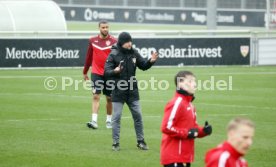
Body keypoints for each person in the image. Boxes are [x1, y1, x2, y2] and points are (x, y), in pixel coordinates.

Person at [104, 32, 158, 151]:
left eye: (130, 41)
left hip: (133, 91)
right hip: (118, 91)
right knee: (116, 117)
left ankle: (141, 141)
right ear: (122, 43)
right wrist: (115, 71)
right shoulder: (113, 54)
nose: (130, 44)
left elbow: (143, 65)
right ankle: (115, 143)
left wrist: (151, 61)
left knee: (138, 115)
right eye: (127, 42)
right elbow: (106, 72)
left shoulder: (134, 53)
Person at [160, 70, 212, 167]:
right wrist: (187, 133)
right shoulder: (177, 102)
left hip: (185, 157)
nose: (194, 84)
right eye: (190, 81)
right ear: (180, 84)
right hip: (174, 158)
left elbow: (193, 128)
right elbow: (166, 127)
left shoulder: (190, 105)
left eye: (194, 81)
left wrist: (203, 131)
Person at [83, 20, 117, 129]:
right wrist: (85, 71)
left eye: (107, 27)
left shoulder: (114, 41)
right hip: (96, 72)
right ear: (99, 28)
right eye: (103, 27)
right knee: (96, 96)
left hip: (110, 73)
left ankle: (108, 121)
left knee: (109, 98)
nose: (105, 29)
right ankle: (94, 121)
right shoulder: (92, 41)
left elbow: (117, 58)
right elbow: (88, 58)